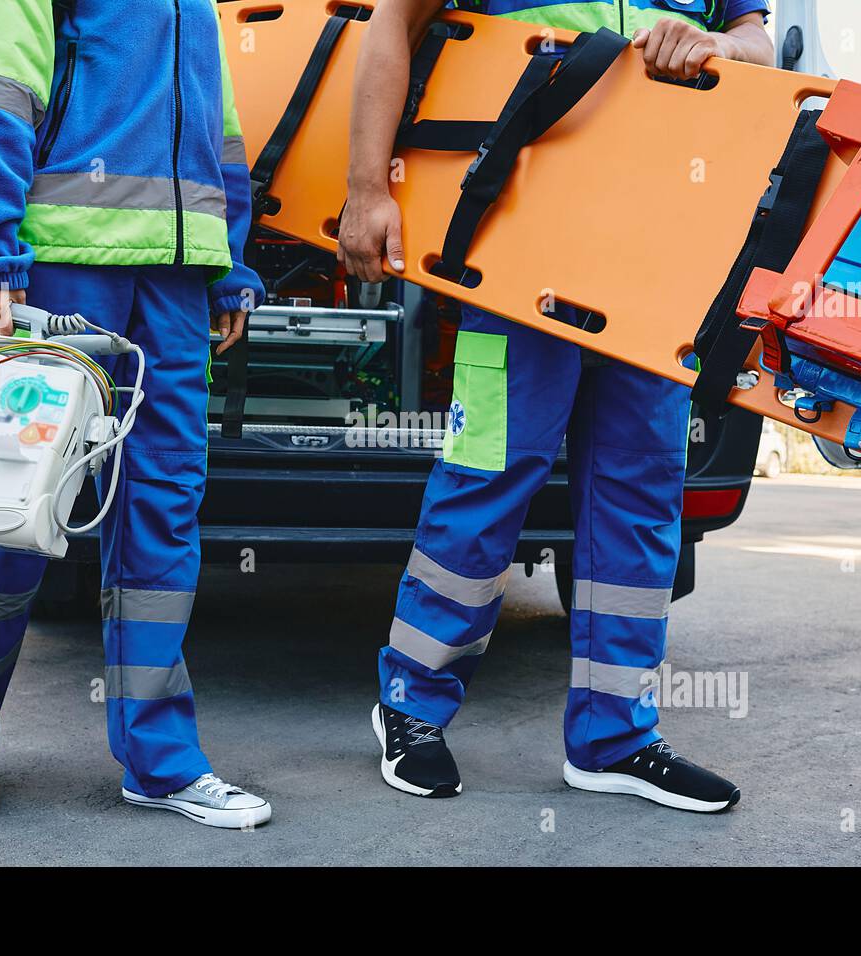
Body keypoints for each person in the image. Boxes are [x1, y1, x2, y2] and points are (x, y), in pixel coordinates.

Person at [339, 0, 773, 812]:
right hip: (515, 253)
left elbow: (757, 41)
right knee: (491, 472)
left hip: (659, 261)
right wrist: (367, 187)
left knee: (643, 495)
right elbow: (392, 22)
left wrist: (718, 43)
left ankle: (616, 738)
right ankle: (411, 707)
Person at [0, 0, 271, 829]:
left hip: (175, 285)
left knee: (161, 519)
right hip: (65, 271)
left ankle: (162, 761)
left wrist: (228, 264)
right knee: (9, 512)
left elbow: (217, 124)